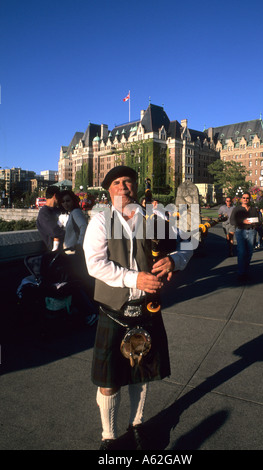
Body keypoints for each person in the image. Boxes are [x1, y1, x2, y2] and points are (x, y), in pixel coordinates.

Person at [83, 166, 193, 450]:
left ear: (134, 186)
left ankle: (137, 425)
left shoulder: (153, 217)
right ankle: (109, 436)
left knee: (140, 373)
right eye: (117, 182)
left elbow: (188, 243)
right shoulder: (100, 221)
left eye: (128, 181)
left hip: (147, 308)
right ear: (108, 190)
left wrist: (175, 261)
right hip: (114, 309)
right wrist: (134, 278)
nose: (124, 187)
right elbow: (94, 264)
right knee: (109, 381)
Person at [59, 189, 98, 327]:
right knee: (82, 282)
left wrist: (79, 245)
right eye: (63, 201)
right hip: (71, 253)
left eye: (68, 200)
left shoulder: (75, 212)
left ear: (73, 201)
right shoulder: (71, 214)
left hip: (74, 254)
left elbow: (84, 227)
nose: (65, 204)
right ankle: (92, 311)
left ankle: (91, 312)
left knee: (79, 284)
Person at [230, 192, 259, 281]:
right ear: (241, 199)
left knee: (249, 252)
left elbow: (259, 221)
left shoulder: (254, 209)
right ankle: (241, 273)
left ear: (249, 199)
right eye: (244, 198)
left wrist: (255, 223)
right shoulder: (237, 209)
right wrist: (243, 221)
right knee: (242, 252)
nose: (245, 199)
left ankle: (245, 271)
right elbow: (232, 221)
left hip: (252, 231)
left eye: (247, 198)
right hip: (240, 231)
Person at [36, 186, 64, 251]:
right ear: (55, 196)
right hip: (53, 252)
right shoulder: (44, 212)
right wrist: (69, 233)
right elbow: (54, 232)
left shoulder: (57, 210)